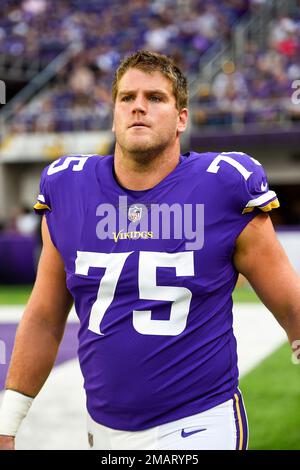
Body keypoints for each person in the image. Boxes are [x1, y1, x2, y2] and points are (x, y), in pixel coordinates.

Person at [0, 50, 300, 451]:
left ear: (181, 119)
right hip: (103, 427)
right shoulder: (69, 188)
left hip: (200, 421)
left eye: (155, 97)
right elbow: (45, 315)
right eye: (127, 98)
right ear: (114, 113)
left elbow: (293, 307)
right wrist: (9, 420)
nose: (138, 106)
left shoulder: (223, 187)